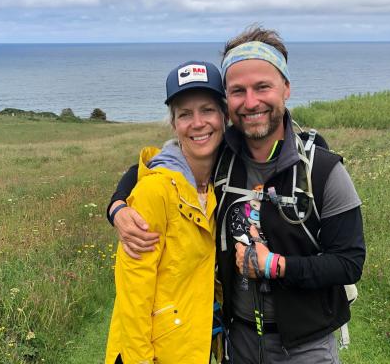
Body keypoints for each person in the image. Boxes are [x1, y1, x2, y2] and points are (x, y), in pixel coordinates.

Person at [108, 26, 366, 364]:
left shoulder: (323, 170)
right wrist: (118, 204)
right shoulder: (222, 158)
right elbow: (161, 164)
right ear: (228, 103)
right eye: (238, 91)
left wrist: (276, 266)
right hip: (238, 340)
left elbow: (349, 263)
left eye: (262, 87)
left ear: (286, 88)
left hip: (308, 345)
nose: (251, 101)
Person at [104, 60, 227, 364]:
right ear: (174, 124)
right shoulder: (154, 191)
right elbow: (133, 294)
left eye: (207, 110)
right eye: (185, 114)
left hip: (192, 346)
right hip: (152, 353)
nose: (198, 123)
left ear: (225, 117)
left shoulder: (222, 181)